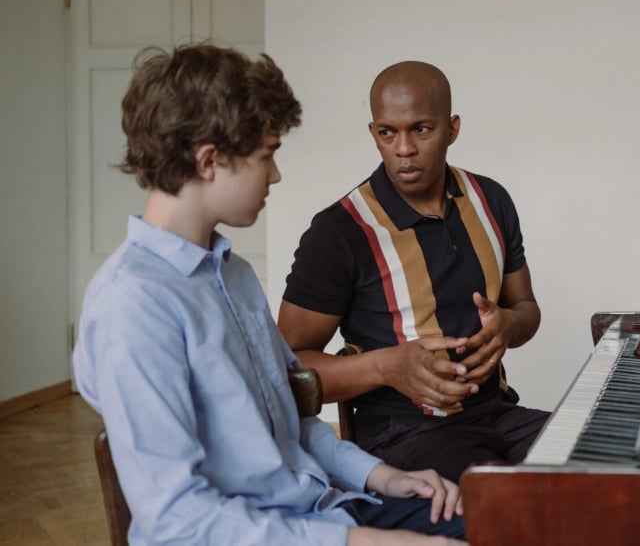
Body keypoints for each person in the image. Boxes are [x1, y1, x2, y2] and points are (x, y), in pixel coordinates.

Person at [72, 44, 466, 545]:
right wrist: (362, 542)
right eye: (267, 156)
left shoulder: (232, 274)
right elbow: (177, 520)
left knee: (511, 523)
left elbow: (294, 428)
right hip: (275, 534)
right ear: (210, 160)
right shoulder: (132, 305)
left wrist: (383, 477)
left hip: (327, 511)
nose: (276, 175)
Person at [278, 60, 549, 482]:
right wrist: (388, 367)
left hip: (497, 414)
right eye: (388, 133)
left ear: (452, 129)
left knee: (611, 463)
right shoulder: (340, 231)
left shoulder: (490, 200)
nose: (403, 149)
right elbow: (290, 372)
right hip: (403, 435)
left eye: (421, 129)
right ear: (374, 134)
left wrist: (509, 326)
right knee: (510, 500)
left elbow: (526, 308)